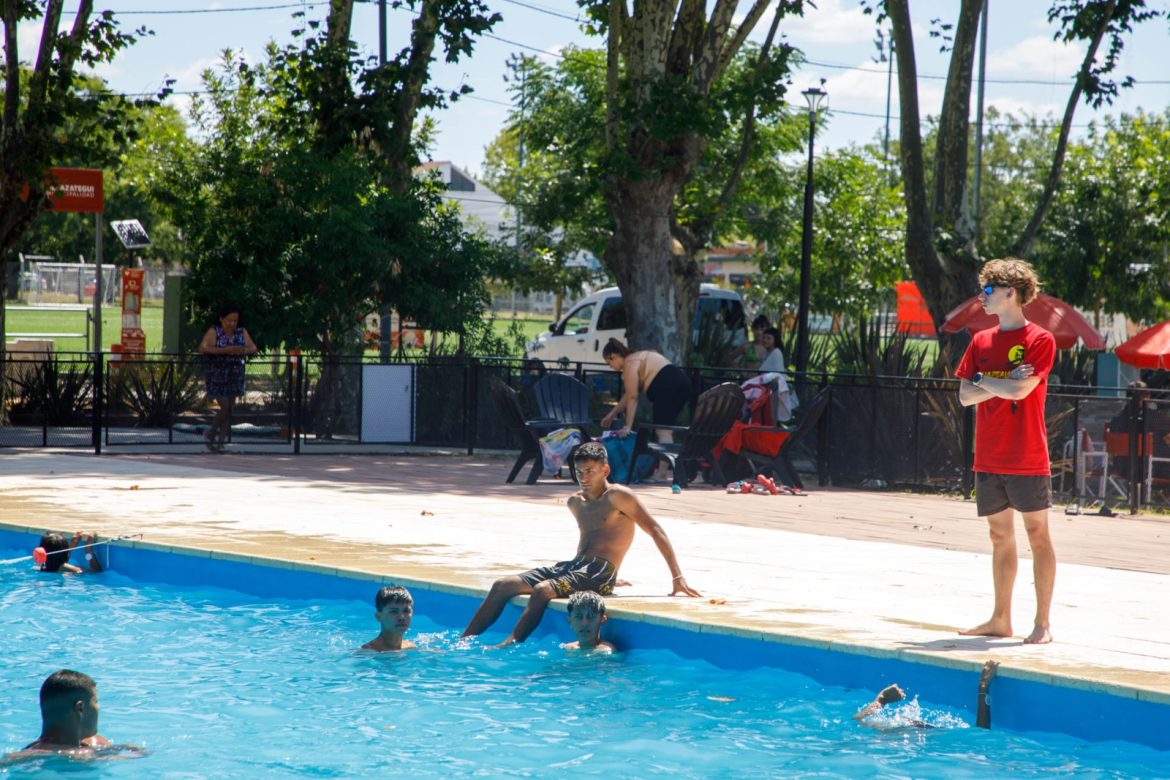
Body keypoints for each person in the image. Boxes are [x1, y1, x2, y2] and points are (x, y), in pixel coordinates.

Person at [461, 441, 701, 646]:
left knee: (543, 590)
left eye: (590, 471)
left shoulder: (619, 496)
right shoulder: (575, 502)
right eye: (579, 472)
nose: (583, 478)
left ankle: (508, 644)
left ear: (605, 470)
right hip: (578, 566)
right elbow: (590, 540)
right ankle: (463, 641)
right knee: (503, 584)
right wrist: (582, 573)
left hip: (600, 570)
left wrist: (677, 577)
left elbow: (655, 530)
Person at [955, 258, 1057, 645]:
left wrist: (987, 380)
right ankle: (1001, 619)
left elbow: (1021, 390)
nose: (982, 297)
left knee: (1037, 535)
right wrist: (994, 378)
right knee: (1000, 536)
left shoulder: (1039, 340)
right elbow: (966, 396)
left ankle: (1042, 623)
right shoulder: (980, 341)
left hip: (1027, 454)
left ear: (1010, 292)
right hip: (989, 455)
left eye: (987, 290)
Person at [7, 670, 141, 759]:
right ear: (80, 708)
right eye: (96, 702)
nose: (99, 708)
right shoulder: (32, 757)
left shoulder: (97, 743)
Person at [599, 338, 692, 443]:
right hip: (681, 382)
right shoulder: (638, 356)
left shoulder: (630, 363)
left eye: (609, 362)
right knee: (665, 429)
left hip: (667, 387)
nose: (610, 367)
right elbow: (629, 394)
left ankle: (665, 459)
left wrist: (628, 426)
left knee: (663, 431)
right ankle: (666, 458)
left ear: (613, 356)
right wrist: (612, 414)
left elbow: (633, 397)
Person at [197, 302, 258, 453]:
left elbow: (253, 347)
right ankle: (210, 432)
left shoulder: (240, 332)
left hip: (235, 374)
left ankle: (220, 443)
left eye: (235, 321)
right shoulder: (214, 332)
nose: (232, 324)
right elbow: (203, 347)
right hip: (217, 374)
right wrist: (225, 350)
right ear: (221, 319)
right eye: (229, 320)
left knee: (229, 409)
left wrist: (241, 350)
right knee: (225, 406)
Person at [757, 327, 797, 423]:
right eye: (764, 338)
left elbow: (779, 374)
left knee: (773, 417)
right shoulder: (767, 353)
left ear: (775, 340)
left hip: (777, 390)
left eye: (769, 338)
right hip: (769, 390)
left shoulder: (776, 353)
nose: (765, 340)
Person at [362, 585, 416, 651]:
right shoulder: (368, 651)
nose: (401, 617)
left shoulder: (411, 647)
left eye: (406, 611)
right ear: (379, 616)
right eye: (394, 611)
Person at [37, 532, 103, 574]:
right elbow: (96, 571)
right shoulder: (74, 570)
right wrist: (88, 550)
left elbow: (57, 559)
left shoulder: (39, 568)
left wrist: (71, 546)